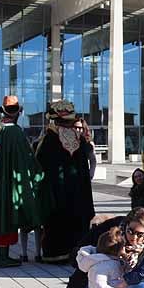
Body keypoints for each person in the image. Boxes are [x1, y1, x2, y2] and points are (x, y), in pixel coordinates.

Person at [0, 95, 51, 268]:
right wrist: (39, 173)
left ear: (2, 110)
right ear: (19, 112)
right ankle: (2, 257)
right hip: (12, 180)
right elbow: (27, 158)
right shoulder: (15, 132)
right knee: (8, 213)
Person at [36, 101, 95, 263]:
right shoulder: (80, 140)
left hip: (55, 191)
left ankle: (55, 254)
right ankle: (77, 252)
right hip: (78, 193)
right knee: (76, 219)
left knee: (57, 220)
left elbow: (38, 163)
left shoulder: (47, 139)